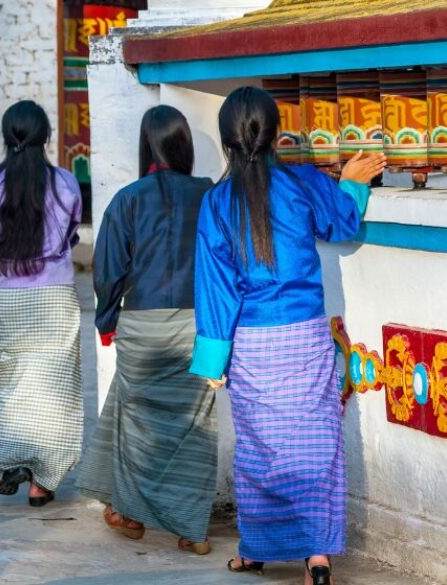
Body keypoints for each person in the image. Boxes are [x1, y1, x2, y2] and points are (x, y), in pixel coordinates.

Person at [190, 87, 386, 585]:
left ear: (227, 141)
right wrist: (351, 182)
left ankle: (255, 550)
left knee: (259, 451)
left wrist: (213, 360)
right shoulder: (302, 183)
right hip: (306, 337)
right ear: (276, 134)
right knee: (316, 443)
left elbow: (216, 288)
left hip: (252, 345)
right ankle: (316, 559)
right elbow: (342, 222)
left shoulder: (215, 204)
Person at [77, 105, 218, 554]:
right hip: (198, 326)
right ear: (184, 145)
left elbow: (108, 270)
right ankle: (191, 531)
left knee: (137, 424)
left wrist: (105, 321)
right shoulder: (209, 194)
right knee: (195, 426)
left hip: (140, 325)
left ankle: (131, 515)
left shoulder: (127, 198)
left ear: (146, 145)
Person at [0, 100, 83, 507]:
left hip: (4, 294)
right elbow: (71, 236)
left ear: (6, 137)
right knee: (55, 386)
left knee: (10, 380)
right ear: (46, 136)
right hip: (53, 294)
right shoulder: (66, 183)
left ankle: (10, 461)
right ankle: (42, 482)